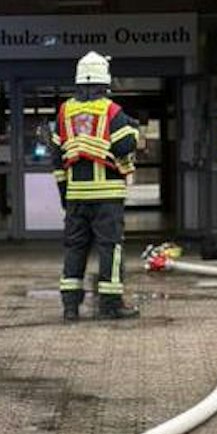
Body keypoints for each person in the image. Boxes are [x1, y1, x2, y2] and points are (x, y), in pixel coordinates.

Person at [52, 52, 141, 321]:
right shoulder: (111, 111)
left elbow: (57, 157)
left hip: (76, 194)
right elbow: (126, 145)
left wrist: (64, 196)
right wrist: (133, 129)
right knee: (109, 248)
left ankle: (70, 306)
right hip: (107, 197)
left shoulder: (65, 111)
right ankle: (111, 305)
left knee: (74, 247)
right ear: (105, 80)